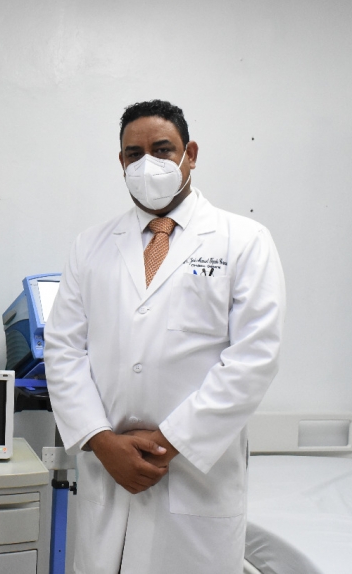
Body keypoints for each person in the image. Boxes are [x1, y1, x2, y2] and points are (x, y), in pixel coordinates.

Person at [44, 100, 285, 573]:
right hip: (107, 468)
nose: (147, 164)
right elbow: (63, 349)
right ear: (121, 162)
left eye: (162, 149)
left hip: (194, 475)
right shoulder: (90, 246)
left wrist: (168, 442)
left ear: (189, 154)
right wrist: (100, 441)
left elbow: (254, 357)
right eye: (134, 154)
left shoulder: (244, 240)